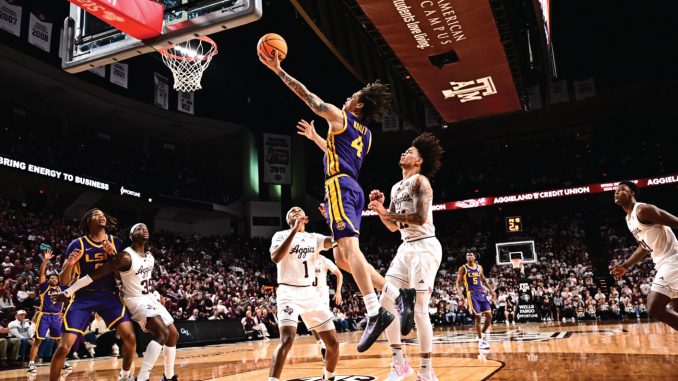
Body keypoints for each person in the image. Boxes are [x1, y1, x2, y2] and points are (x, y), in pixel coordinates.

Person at [259, 49, 413, 353]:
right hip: (351, 186)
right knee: (343, 259)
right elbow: (338, 155)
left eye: (351, 96)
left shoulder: (341, 117)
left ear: (358, 104)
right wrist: (318, 139)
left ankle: (374, 310)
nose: (346, 99)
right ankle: (398, 294)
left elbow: (311, 99)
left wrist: (279, 70)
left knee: (349, 251)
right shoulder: (367, 136)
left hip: (339, 187)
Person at [57, 223, 179, 381]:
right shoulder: (125, 257)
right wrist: (68, 291)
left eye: (146, 228)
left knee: (174, 334)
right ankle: (142, 378)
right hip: (136, 300)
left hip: (149, 298)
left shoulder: (150, 256)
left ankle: (168, 377)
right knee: (163, 333)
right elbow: (95, 275)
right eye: (139, 228)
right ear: (132, 236)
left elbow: (144, 279)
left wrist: (154, 292)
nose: (144, 229)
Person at [367, 132, 445, 381]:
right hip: (405, 247)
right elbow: (392, 227)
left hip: (424, 246)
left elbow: (420, 218)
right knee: (385, 302)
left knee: (420, 309)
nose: (404, 153)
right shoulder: (395, 187)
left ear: (419, 161)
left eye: (410, 152)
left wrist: (387, 213)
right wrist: (381, 211)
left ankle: (426, 370)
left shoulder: (421, 182)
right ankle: (399, 363)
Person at [50, 209, 136, 381]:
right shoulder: (77, 244)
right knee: (64, 347)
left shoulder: (115, 242)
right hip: (84, 297)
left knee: (130, 338)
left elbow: (121, 276)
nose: (101, 216)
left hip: (109, 296)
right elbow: (64, 281)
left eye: (103, 214)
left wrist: (113, 255)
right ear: (88, 221)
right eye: (96, 214)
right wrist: (70, 264)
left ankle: (125, 375)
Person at [268, 207, 340, 381]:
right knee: (287, 339)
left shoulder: (313, 238)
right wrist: (294, 230)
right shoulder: (280, 235)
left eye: (299, 210)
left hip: (310, 293)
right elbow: (276, 258)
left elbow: (338, 241)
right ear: (288, 220)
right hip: (288, 292)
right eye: (292, 211)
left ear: (305, 218)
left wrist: (330, 220)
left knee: (333, 343)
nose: (296, 212)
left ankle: (329, 377)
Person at [610, 181, 678, 330]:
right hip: (663, 263)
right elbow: (644, 246)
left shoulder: (643, 210)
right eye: (615, 190)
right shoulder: (629, 219)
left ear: (631, 194)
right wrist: (625, 266)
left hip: (673, 260)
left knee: (654, 308)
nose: (616, 192)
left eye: (621, 189)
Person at [28, 249, 66, 373]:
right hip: (44, 315)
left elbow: (69, 276)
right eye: (52, 278)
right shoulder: (45, 287)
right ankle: (31, 363)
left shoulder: (62, 288)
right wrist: (45, 260)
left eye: (56, 278)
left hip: (56, 317)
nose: (54, 279)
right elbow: (41, 274)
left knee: (60, 341)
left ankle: (63, 362)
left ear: (58, 280)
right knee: (38, 340)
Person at [456, 252, 496, 350]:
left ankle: (482, 333)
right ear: (466, 258)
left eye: (471, 254)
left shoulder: (479, 267)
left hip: (481, 293)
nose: (469, 255)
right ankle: (481, 340)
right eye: (467, 255)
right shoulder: (463, 268)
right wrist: (461, 295)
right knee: (478, 317)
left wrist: (491, 290)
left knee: (489, 317)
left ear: (474, 257)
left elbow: (483, 280)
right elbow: (458, 282)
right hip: (471, 294)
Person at [312, 253, 343, 368]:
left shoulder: (324, 260)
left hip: (321, 293)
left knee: (323, 322)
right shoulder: (304, 258)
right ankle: (322, 346)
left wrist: (338, 291)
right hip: (309, 293)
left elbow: (339, 274)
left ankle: (327, 346)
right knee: (313, 324)